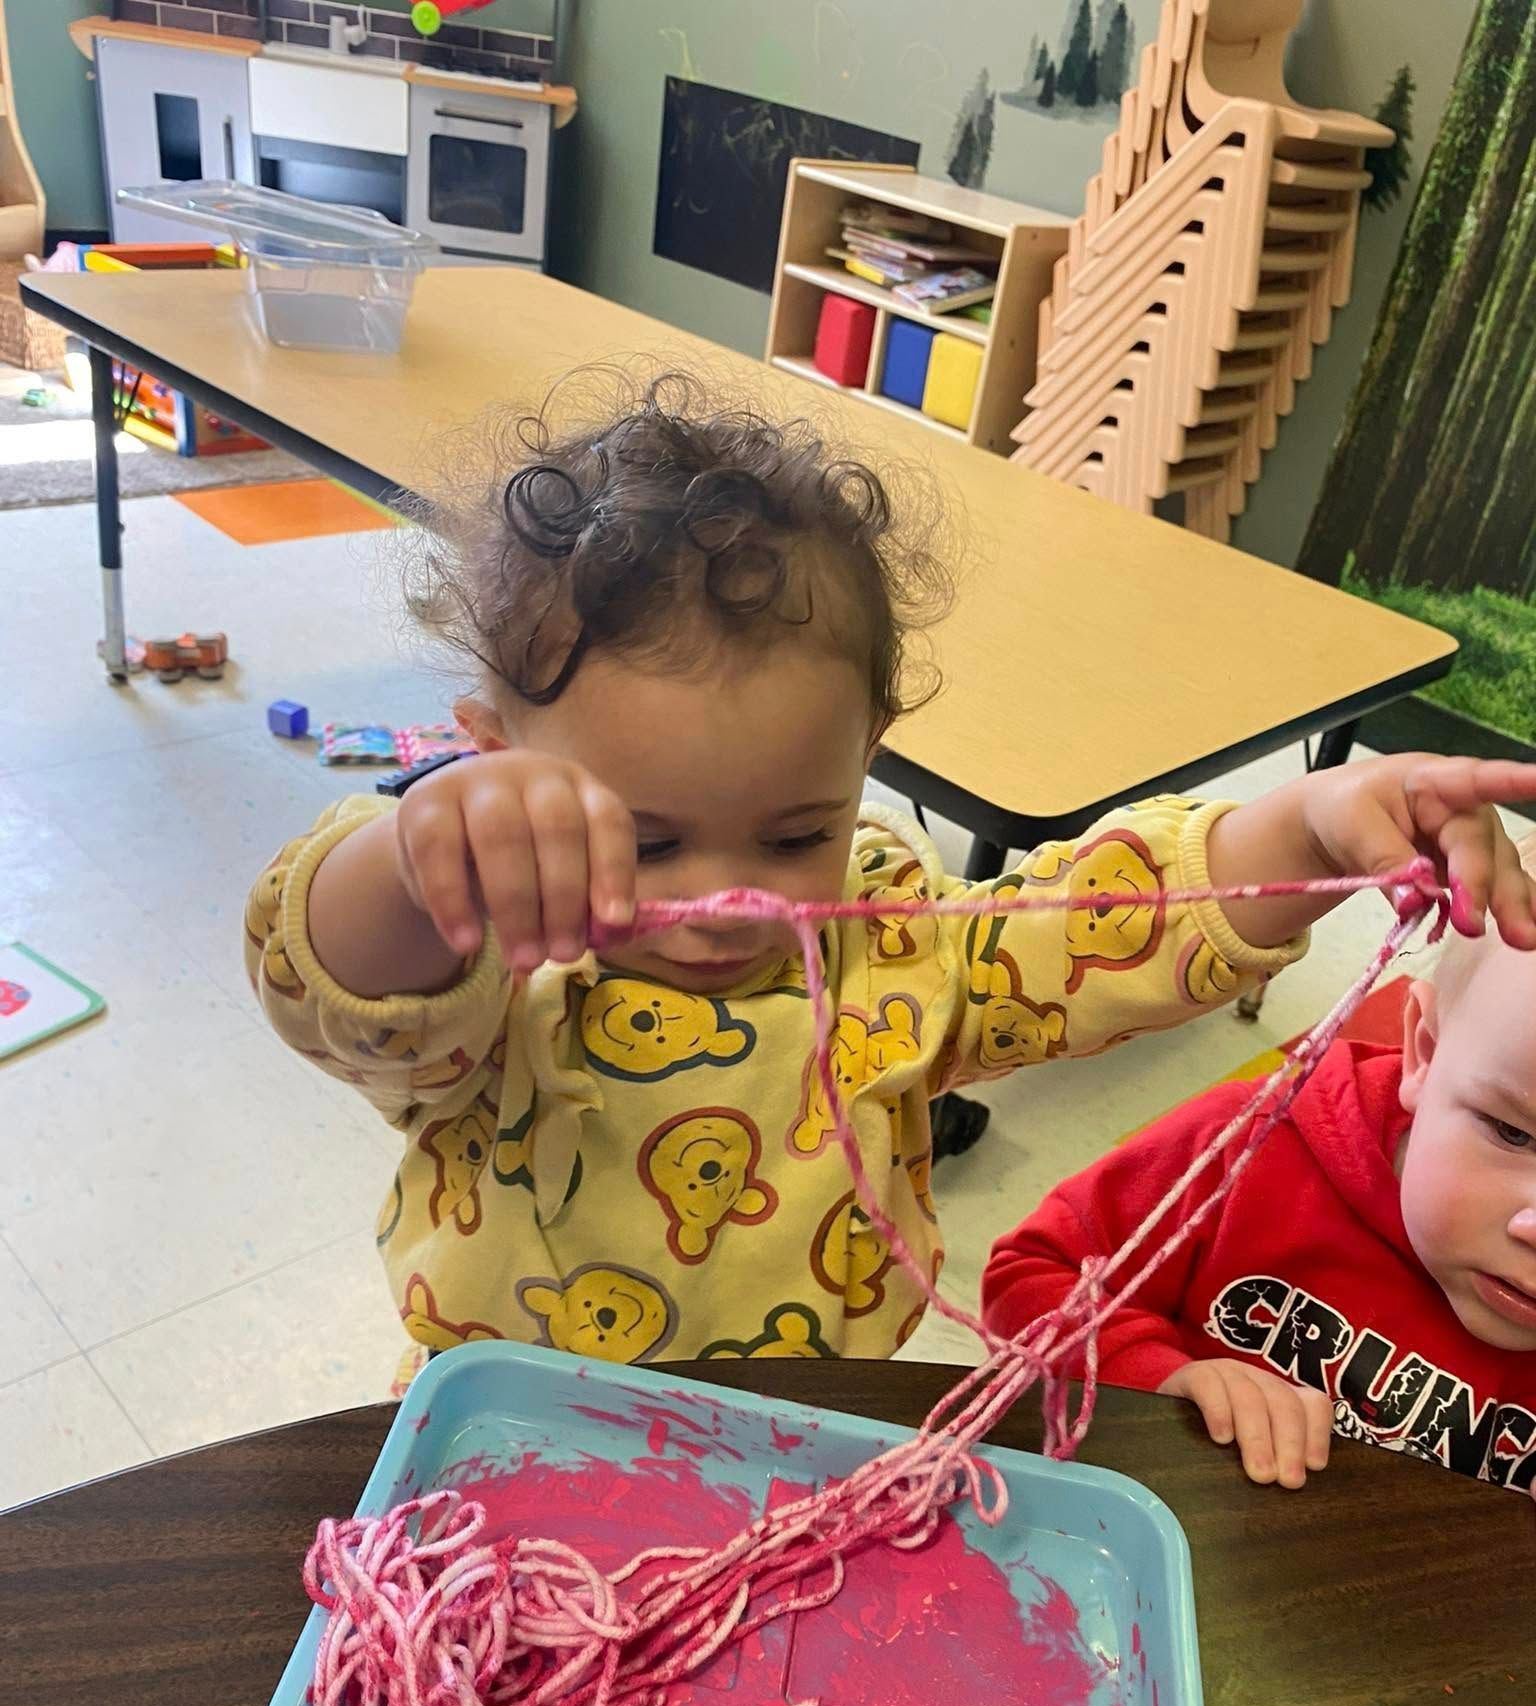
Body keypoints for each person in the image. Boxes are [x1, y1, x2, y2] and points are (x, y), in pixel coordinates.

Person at [244, 372, 1536, 1390]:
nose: (737, 898)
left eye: (796, 833)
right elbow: (334, 989)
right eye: (648, 843)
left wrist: (1307, 824)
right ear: (497, 755)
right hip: (513, 1436)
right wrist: (415, 866)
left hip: (815, 1426)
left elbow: (1094, 927)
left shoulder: (894, 945)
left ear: (866, 753)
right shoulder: (511, 957)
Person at [983, 836, 1536, 1496]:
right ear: (1424, 1050)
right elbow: (1032, 1278)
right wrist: (1160, 1376)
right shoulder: (1257, 1141)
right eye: (1513, 1132)